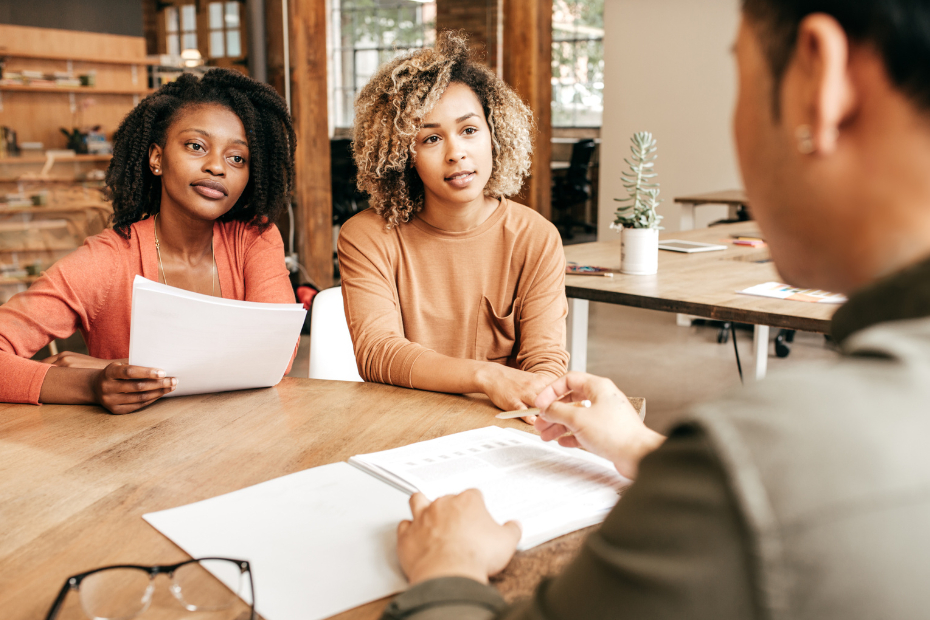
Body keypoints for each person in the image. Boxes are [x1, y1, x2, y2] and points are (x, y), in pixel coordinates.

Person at [381, 1, 930, 618]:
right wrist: (642, 447)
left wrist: (445, 567)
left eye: (738, 78)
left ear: (817, 82)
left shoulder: (749, 468)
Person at [0, 69, 297, 414]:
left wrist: (111, 366)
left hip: (238, 441)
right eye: (196, 146)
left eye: (237, 158)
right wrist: (89, 384)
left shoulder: (254, 239)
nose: (217, 167)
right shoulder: (107, 260)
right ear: (157, 158)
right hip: (125, 454)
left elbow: (276, 356)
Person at [338, 32, 568, 419]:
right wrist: (486, 377)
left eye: (469, 130)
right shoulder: (366, 237)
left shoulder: (536, 237)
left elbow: (545, 360)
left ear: (494, 135)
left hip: (502, 424)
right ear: (403, 155)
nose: (456, 153)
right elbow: (378, 353)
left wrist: (535, 393)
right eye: (430, 138)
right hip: (398, 425)